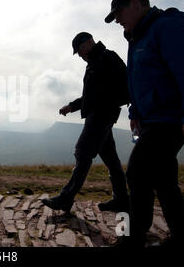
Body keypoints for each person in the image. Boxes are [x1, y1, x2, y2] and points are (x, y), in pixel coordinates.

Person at [105, 0, 184, 248]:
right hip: (151, 120)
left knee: (136, 174)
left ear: (135, 4)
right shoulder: (137, 37)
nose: (118, 21)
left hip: (170, 119)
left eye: (118, 14)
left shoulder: (167, 28)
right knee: (164, 181)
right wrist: (135, 112)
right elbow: (138, 81)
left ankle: (132, 238)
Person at [41, 32, 130, 213]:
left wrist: (108, 105)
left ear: (89, 42)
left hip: (101, 117)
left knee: (82, 153)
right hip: (99, 116)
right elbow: (90, 97)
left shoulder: (107, 57)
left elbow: (126, 84)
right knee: (112, 161)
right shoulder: (93, 63)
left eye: (80, 50)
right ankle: (122, 200)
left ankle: (66, 198)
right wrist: (71, 106)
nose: (80, 55)